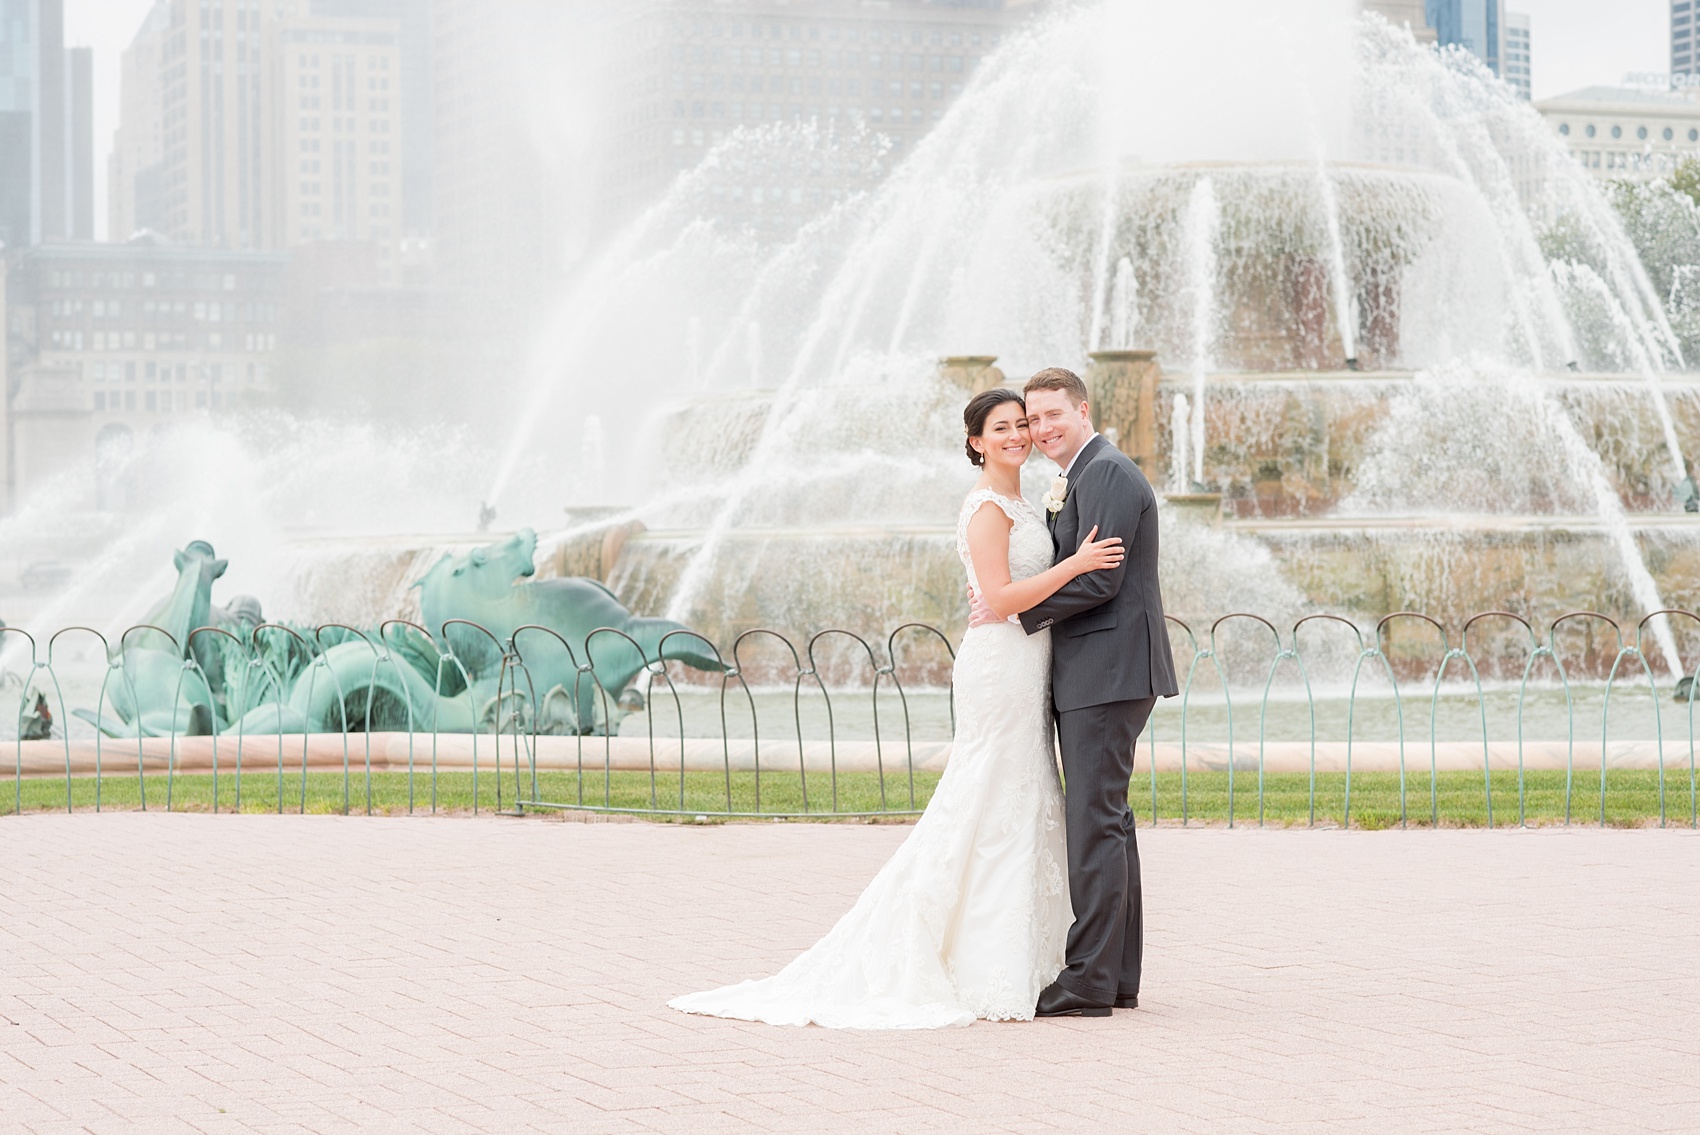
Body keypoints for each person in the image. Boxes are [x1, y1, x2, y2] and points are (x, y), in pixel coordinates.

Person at [668, 388, 1125, 1028]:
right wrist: (1075, 563)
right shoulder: (987, 508)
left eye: (1023, 424)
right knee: (989, 790)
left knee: (1024, 793)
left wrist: (1050, 575)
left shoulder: (1028, 502)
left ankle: (1030, 955)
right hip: (1000, 666)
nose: (1019, 435)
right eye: (1003, 428)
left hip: (1029, 662)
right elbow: (999, 596)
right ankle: (969, 956)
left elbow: (1007, 595)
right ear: (975, 442)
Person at [969, 367, 1177, 1018]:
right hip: (1095, 670)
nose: (1041, 428)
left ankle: (1088, 981)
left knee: (1094, 823)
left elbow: (1103, 579)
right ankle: (1115, 975)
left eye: (1053, 413)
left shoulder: (1106, 472)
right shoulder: (1082, 475)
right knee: (1109, 820)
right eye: (1033, 418)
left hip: (1108, 671)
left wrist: (1016, 614)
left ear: (1083, 411)